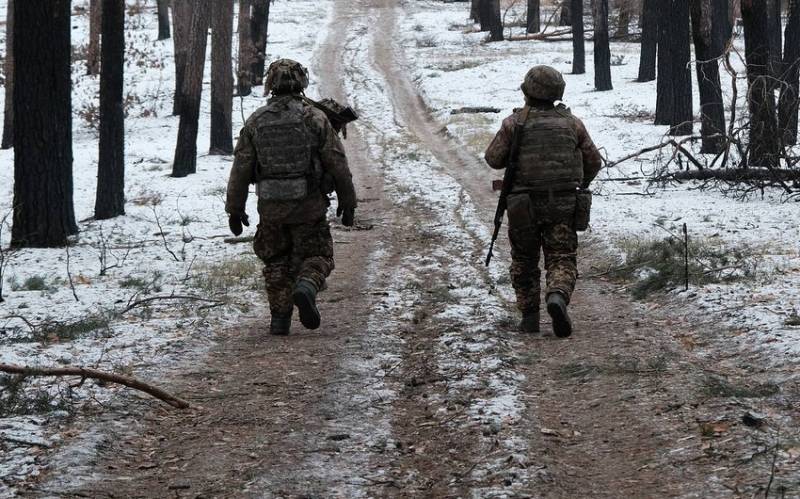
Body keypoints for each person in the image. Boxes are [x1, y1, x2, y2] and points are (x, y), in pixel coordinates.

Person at [226, 59, 357, 335]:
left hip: (270, 208)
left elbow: (241, 166)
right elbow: (336, 162)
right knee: (318, 253)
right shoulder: (315, 118)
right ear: (302, 82)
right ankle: (307, 284)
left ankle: (280, 319)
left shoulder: (256, 121)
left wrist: (235, 209)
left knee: (275, 260)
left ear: (270, 84)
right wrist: (348, 199)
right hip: (308, 205)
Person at [484, 65, 603, 337]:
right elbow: (594, 161)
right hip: (562, 205)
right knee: (561, 257)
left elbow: (493, 159)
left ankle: (529, 318)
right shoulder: (572, 123)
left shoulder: (514, 124)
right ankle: (557, 296)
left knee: (524, 260)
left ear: (527, 91)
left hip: (522, 206)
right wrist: (580, 184)